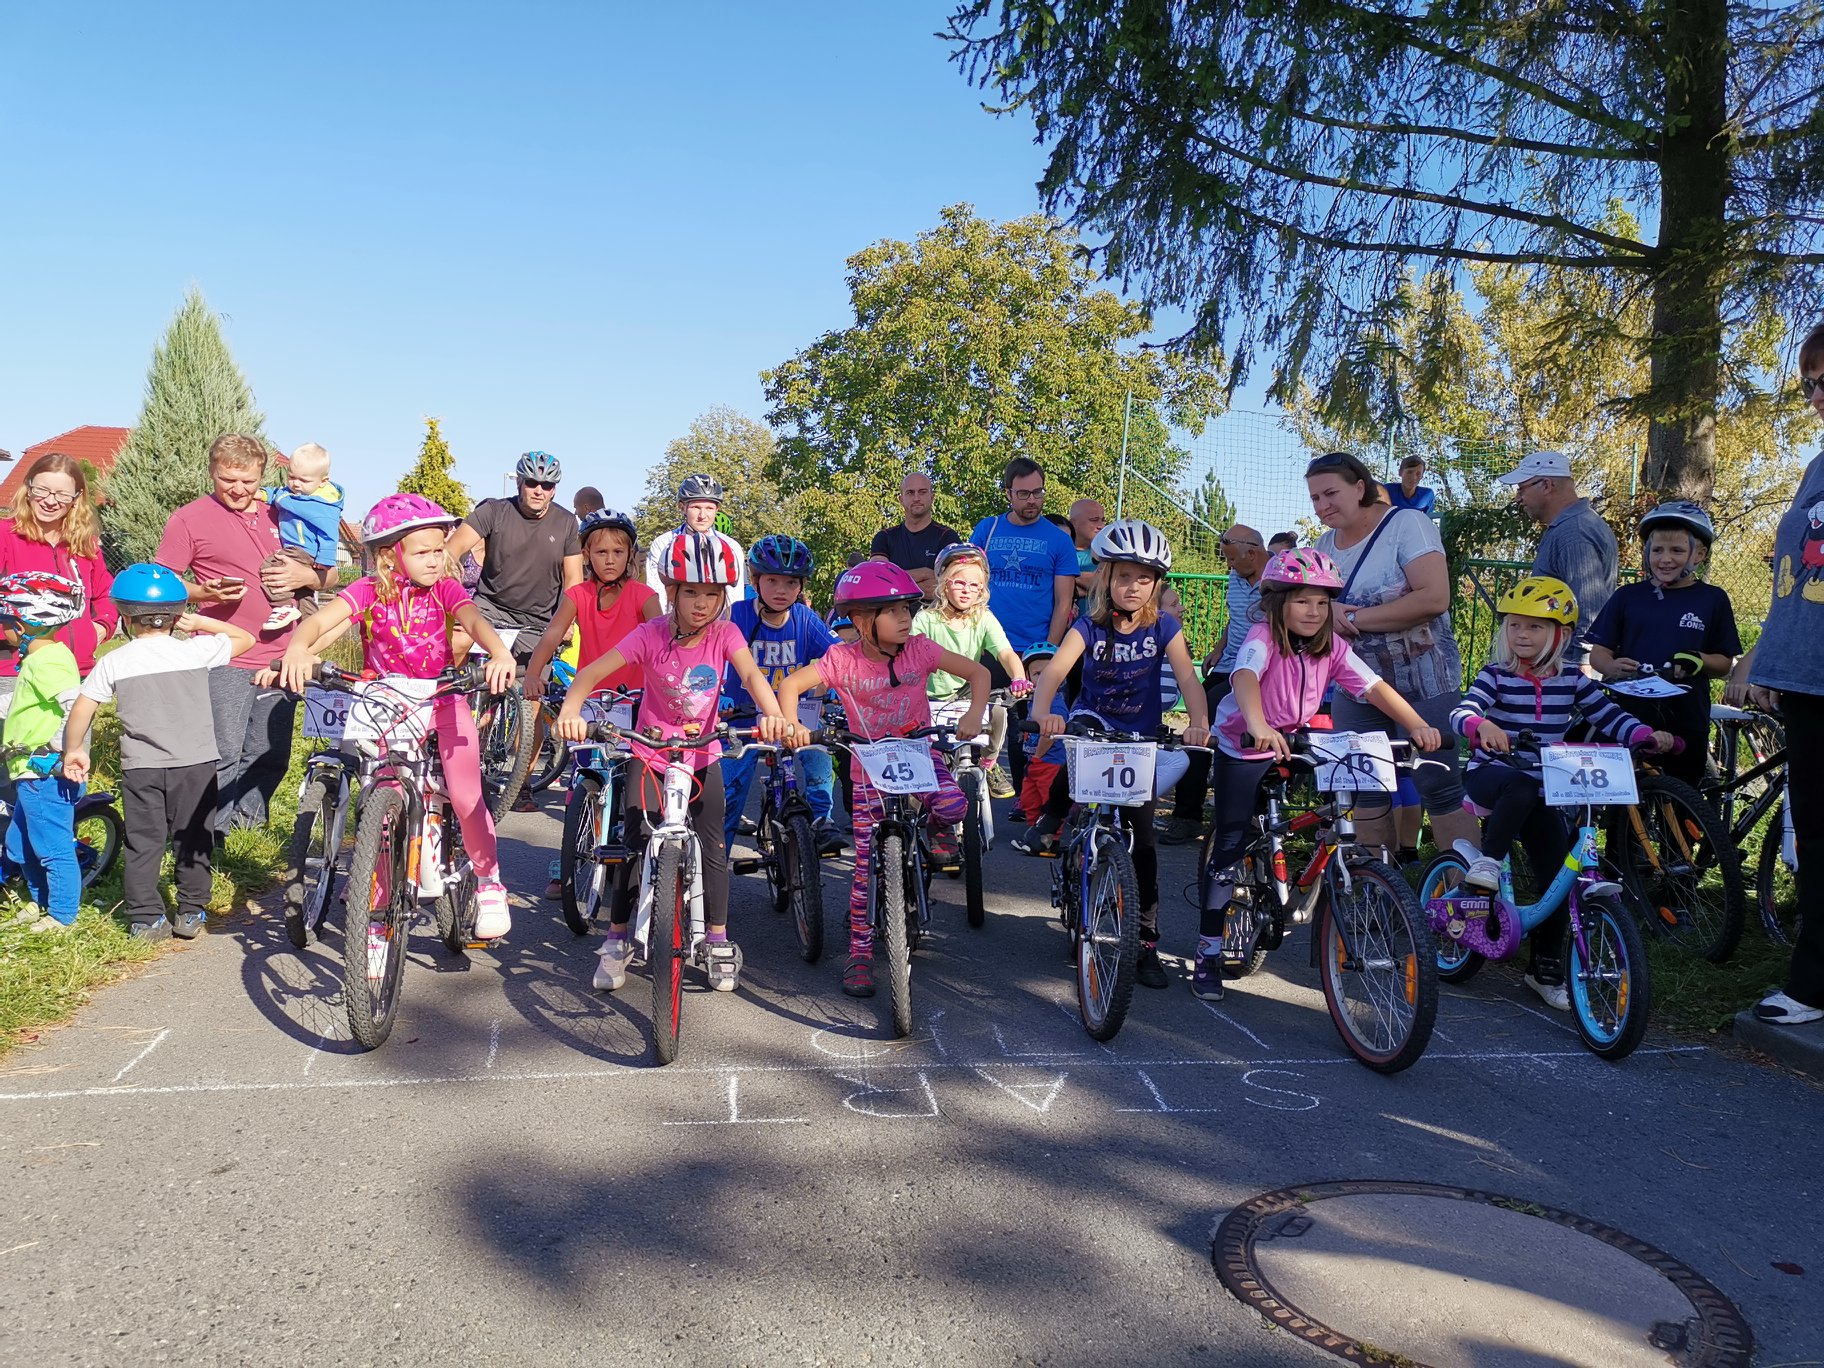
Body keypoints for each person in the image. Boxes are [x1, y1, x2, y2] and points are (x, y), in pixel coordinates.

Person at [1193, 549, 1444, 1001]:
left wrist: (1417, 725)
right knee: (1230, 843)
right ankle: (1208, 950)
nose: (1314, 611)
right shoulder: (1263, 636)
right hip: (1244, 744)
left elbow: (1374, 687)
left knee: (1338, 804)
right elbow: (1245, 676)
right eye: (1302, 601)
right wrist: (1257, 725)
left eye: (1323, 603)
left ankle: (1316, 878)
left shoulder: (1333, 646)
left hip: (1297, 739)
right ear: (1277, 602)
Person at [553, 530, 791, 994]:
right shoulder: (651, 633)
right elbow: (594, 671)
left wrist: (774, 715)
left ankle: (717, 938)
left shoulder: (725, 633)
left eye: (712, 594)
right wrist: (571, 709)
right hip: (650, 752)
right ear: (672, 591)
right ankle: (617, 936)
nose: (702, 604)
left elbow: (751, 674)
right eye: (691, 593)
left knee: (714, 847)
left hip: (702, 754)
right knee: (634, 843)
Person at [277, 494, 519, 939]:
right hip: (387, 703)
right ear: (391, 556)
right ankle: (378, 894)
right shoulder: (368, 589)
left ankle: (488, 883)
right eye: (423, 552)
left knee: (465, 793)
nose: (435, 559)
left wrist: (499, 652)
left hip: (441, 698)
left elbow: (473, 619)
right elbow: (321, 623)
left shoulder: (445, 588)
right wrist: (295, 649)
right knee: (381, 797)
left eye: (439, 549)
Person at [1454, 576, 1674, 1009]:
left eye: (1535, 627)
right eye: (1515, 625)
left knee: (1558, 872)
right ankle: (1487, 863)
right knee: (1519, 785)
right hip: (1493, 774)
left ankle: (1544, 967)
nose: (1522, 634)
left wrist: (1644, 735)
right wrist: (1481, 725)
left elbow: (1609, 715)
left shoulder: (1573, 679)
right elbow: (1463, 710)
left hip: (1545, 787)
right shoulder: (1495, 676)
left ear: (1562, 635)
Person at [776, 563, 986, 999]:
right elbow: (790, 686)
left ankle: (932, 828)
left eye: (908, 608)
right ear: (860, 620)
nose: (906, 618)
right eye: (893, 611)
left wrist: (972, 713)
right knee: (863, 871)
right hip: (867, 767)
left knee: (954, 807)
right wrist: (793, 725)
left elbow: (979, 674)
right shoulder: (841, 659)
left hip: (919, 755)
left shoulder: (921, 650)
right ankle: (859, 954)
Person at [1023, 520, 1210, 991]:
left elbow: (1188, 678)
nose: (1133, 586)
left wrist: (1199, 723)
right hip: (1094, 718)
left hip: (1140, 733)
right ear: (1106, 578)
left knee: (1143, 842)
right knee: (1076, 753)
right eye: (1123, 576)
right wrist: (1044, 713)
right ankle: (1053, 815)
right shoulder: (1088, 625)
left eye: (1144, 578)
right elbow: (1055, 672)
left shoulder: (1165, 626)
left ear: (1157, 583)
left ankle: (1146, 941)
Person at [156, 433, 335, 837]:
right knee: (222, 750)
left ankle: (247, 833)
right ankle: (206, 837)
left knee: (269, 753)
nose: (238, 489)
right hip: (226, 653)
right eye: (228, 480)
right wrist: (203, 593)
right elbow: (163, 582)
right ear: (212, 472)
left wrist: (307, 576)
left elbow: (331, 573)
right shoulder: (188, 518)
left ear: (262, 476)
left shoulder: (284, 510)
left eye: (248, 481)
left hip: (285, 655)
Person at [63, 564, 254, 941]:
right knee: (194, 836)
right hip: (195, 765)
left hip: (141, 768)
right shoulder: (195, 651)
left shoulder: (115, 661)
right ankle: (191, 911)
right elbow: (244, 638)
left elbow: (83, 706)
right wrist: (199, 621)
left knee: (144, 841)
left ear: (125, 616)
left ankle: (145, 918)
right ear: (176, 615)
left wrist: (74, 751)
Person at [1724, 321, 1824, 1026]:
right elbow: (1794, 582)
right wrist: (1766, 658)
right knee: (1816, 837)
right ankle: (1814, 985)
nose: (1816, 396)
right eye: (1810, 383)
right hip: (1806, 682)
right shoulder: (1817, 468)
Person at [1307, 449, 1479, 858]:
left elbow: (1434, 598)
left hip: (1423, 681)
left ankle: (1466, 888)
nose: (1322, 505)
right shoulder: (1324, 544)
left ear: (1360, 488)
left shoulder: (1407, 524)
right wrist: (1327, 611)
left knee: (1439, 784)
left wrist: (1353, 616)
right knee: (1366, 788)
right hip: (1356, 688)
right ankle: (1377, 888)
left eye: (1330, 493)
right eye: (1314, 498)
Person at [524, 508, 663, 898]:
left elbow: (663, 640)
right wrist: (534, 673)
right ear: (586, 554)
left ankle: (645, 856)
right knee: (582, 777)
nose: (610, 560)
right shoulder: (578, 595)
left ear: (630, 554)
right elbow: (552, 636)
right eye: (601, 552)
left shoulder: (644, 596)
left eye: (618, 552)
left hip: (637, 700)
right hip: (592, 700)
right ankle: (569, 856)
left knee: (642, 783)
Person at [1586, 502, 1739, 787]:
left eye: (1677, 551)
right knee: (1627, 795)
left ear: (1699, 554)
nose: (1665, 559)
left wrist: (1699, 659)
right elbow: (1598, 654)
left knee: (1684, 796)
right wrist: (1612, 666)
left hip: (1686, 714)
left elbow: (1723, 663)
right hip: (1629, 713)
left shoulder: (1713, 599)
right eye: (1657, 550)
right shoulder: (1627, 596)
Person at [721, 535, 843, 856]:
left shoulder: (804, 618)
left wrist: (841, 685)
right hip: (743, 717)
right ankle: (714, 865)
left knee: (819, 754)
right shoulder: (737, 615)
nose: (781, 590)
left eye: (791, 583)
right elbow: (709, 657)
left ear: (801, 586)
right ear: (755, 581)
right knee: (727, 796)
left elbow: (841, 657)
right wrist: (715, 694)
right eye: (772, 580)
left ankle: (822, 820)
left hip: (794, 715)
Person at [970, 457, 1080, 796]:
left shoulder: (1058, 540)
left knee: (1029, 727)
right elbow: (969, 582)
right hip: (988, 645)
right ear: (1008, 494)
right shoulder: (987, 529)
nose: (1032, 500)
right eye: (1023, 494)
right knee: (981, 719)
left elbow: (1064, 602)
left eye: (1037, 492)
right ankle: (973, 786)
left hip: (1034, 649)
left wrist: (1048, 651)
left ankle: (1026, 799)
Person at [1163, 524, 1267, 844]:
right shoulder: (1236, 577)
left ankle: (1250, 818)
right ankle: (1187, 817)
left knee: (1212, 726)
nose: (1228, 565)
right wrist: (1219, 648)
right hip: (1227, 665)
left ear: (1253, 553)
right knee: (1198, 730)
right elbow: (1236, 619)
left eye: (1232, 558)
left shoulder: (1277, 580)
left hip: (1258, 672)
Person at [0, 574, 86, 932]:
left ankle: (62, 915)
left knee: (51, 847)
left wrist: (61, 748)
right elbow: (27, 702)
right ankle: (40, 900)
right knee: (20, 844)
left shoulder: (47, 661)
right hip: (28, 772)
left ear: (21, 627)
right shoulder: (41, 657)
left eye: (4, 622)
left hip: (43, 772)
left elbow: (74, 706)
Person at [0, 452, 117, 713]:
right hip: (17, 673)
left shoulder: (85, 544)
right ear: (28, 488)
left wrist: (102, 626)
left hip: (75, 673)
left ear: (76, 499)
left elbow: (106, 594)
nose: (50, 501)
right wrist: (15, 635)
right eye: (42, 490)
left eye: (62, 495)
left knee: (74, 741)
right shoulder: (5, 536)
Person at [914, 543, 1028, 803]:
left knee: (999, 710)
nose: (966, 590)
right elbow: (910, 656)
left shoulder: (983, 618)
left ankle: (989, 763)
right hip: (930, 695)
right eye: (959, 583)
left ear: (982, 589)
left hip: (967, 691)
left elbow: (1005, 653)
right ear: (944, 583)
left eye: (974, 585)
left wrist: (1019, 677)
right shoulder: (925, 619)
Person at [444, 450, 584, 652]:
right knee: (456, 644)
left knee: (532, 672)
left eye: (546, 485)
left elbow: (574, 579)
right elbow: (452, 550)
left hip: (538, 622)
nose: (539, 491)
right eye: (531, 483)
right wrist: (446, 592)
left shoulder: (567, 523)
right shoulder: (493, 511)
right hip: (489, 610)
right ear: (519, 482)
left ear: (553, 490)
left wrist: (566, 622)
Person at [1501, 449, 1618, 667]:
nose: (1518, 498)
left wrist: (1583, 667)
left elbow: (1591, 613)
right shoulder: (1573, 525)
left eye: (1521, 488)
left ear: (1546, 485)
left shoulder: (1574, 532)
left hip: (1570, 669)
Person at [255, 443, 345, 631]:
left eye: (303, 480)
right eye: (291, 477)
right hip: (299, 550)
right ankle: (310, 625)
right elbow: (278, 494)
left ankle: (283, 606)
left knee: (271, 568)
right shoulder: (292, 493)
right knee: (304, 592)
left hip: (303, 550)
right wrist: (263, 494)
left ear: (323, 481)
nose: (296, 483)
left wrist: (325, 559)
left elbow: (329, 535)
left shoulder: (322, 506)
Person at [644, 473, 747, 599]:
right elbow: (657, 592)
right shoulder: (663, 544)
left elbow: (734, 597)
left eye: (709, 508)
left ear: (717, 509)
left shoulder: (731, 546)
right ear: (682, 507)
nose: (702, 515)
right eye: (696, 507)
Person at [870, 471, 959, 601]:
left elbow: (951, 587)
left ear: (932, 497)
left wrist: (895, 582)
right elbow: (879, 581)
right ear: (901, 499)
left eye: (922, 492)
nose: (916, 498)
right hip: (894, 613)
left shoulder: (948, 537)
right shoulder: (884, 538)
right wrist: (925, 574)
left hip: (934, 613)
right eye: (910, 493)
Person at [1017, 641, 1069, 823]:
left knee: (1048, 801)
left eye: (1048, 674)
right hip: (1035, 760)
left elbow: (1049, 735)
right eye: (1037, 674)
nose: (1043, 680)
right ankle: (1034, 829)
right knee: (1029, 800)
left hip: (1049, 762)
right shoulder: (1033, 700)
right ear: (1028, 676)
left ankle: (1050, 835)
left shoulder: (1055, 704)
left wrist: (1037, 757)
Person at [1067, 498, 1108, 610]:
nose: (1101, 526)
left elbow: (1106, 584)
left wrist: (1064, 579)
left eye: (1103, 520)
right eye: (1094, 520)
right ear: (1073, 523)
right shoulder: (1058, 550)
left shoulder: (1108, 553)